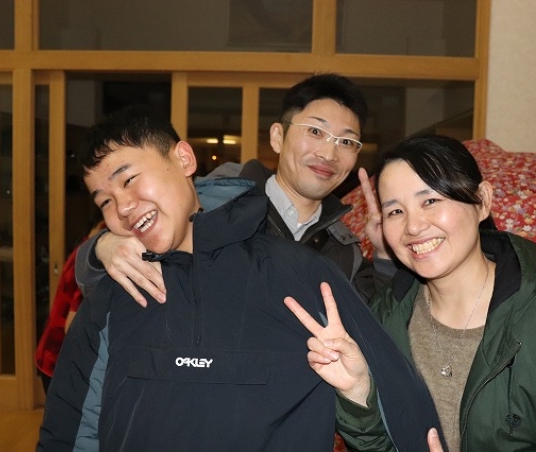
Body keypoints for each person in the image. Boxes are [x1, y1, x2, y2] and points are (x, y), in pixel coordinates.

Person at [36, 105, 445, 451]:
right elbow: (71, 426)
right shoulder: (115, 293)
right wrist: (99, 248)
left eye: (128, 180)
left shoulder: (301, 272)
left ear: (184, 160)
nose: (123, 207)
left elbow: (394, 392)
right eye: (105, 201)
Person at [288, 135, 536, 451]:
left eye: (430, 200)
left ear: (482, 201)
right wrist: (358, 392)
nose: (413, 226)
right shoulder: (386, 316)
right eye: (395, 211)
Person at [73, 73, 396, 306]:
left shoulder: (346, 249)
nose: (328, 153)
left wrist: (385, 254)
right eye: (315, 131)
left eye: (347, 142)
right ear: (277, 137)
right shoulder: (215, 202)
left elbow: (379, 328)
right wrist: (102, 248)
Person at [34, 213, 105, 393]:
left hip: (51, 354)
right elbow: (73, 327)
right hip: (60, 360)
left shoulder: (85, 246)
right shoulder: (94, 263)